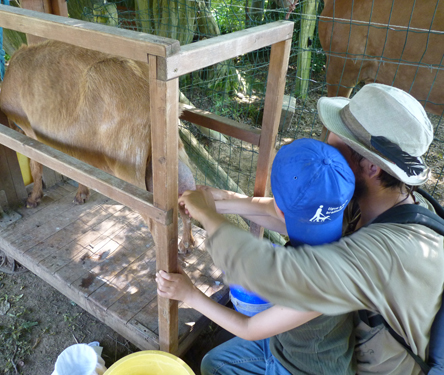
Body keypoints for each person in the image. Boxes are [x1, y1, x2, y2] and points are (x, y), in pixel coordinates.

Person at [178, 83, 444, 375]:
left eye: (338, 142)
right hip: (334, 339)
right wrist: (222, 203)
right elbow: (298, 216)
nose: (327, 147)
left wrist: (206, 215)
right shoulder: (377, 201)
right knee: (216, 363)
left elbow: (267, 272)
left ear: (371, 167)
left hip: (356, 368)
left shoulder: (385, 254)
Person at [157, 138, 356, 374]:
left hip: (302, 368)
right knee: (213, 364)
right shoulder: (342, 221)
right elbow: (271, 210)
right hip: (283, 342)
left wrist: (189, 294)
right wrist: (219, 202)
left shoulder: (321, 283)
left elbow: (249, 328)